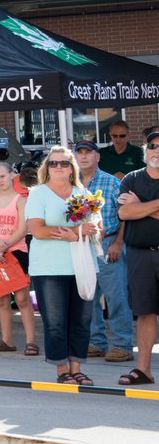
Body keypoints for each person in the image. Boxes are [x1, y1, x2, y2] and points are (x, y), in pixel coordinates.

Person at [25, 145, 101, 385]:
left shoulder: (83, 193)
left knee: (81, 321)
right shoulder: (38, 194)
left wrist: (92, 229)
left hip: (82, 265)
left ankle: (76, 368)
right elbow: (37, 230)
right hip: (49, 268)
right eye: (54, 163)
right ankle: (61, 370)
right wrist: (76, 231)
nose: (59, 167)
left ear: (72, 168)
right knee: (56, 323)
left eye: (64, 163)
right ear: (47, 168)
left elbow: (97, 227)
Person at [76, 139, 134, 362]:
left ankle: (122, 344)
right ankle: (96, 342)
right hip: (82, 245)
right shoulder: (72, 184)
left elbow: (126, 215)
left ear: (97, 156)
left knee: (116, 297)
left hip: (109, 243)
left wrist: (119, 242)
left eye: (88, 152)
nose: (83, 157)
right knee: (87, 297)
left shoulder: (112, 182)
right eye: (79, 153)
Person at [115, 129, 159, 386]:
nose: (156, 150)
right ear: (145, 150)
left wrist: (139, 205)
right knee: (145, 312)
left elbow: (133, 209)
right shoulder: (132, 179)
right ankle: (143, 370)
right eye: (152, 146)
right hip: (140, 255)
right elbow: (124, 213)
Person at [0, 161, 37, 355]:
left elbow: (23, 228)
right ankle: (7, 340)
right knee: (2, 299)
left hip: (16, 251)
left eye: (2, 176)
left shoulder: (21, 200)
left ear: (12, 175)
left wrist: (5, 245)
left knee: (22, 298)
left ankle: (31, 341)